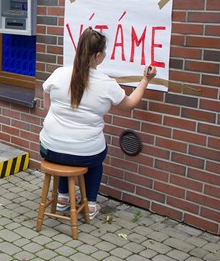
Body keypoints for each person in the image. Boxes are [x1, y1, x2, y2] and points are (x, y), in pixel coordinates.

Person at [39, 27, 157, 219]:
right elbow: (129, 105)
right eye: (104, 52)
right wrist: (145, 79)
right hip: (85, 154)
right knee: (95, 157)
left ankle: (62, 199)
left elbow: (46, 101)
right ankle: (90, 205)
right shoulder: (106, 83)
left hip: (48, 149)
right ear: (98, 56)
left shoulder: (59, 73)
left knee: (62, 149)